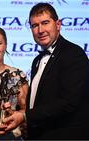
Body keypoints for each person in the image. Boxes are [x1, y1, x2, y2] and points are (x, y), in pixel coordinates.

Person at [24, 2, 89, 139]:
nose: (40, 30)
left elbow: (69, 102)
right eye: (35, 25)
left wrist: (25, 115)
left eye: (45, 23)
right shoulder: (36, 61)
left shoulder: (73, 54)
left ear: (58, 25)